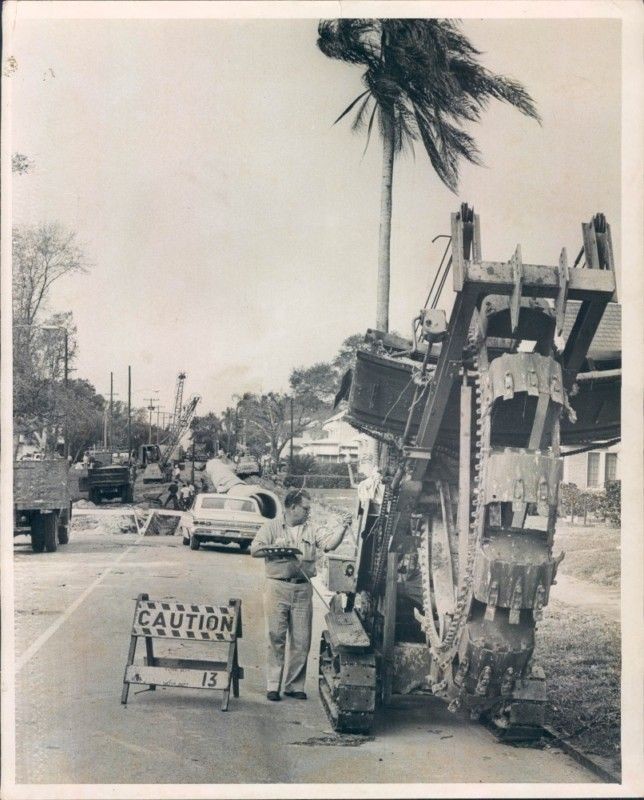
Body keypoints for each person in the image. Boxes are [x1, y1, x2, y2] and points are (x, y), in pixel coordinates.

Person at [251, 488, 352, 702]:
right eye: (305, 508)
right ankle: (273, 685)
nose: (308, 512)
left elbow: (329, 544)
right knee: (276, 636)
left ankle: (294, 685)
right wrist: (277, 550)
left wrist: (343, 527)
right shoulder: (271, 527)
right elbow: (255, 550)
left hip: (302, 588)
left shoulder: (312, 529)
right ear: (292, 507)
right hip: (277, 587)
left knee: (302, 639)